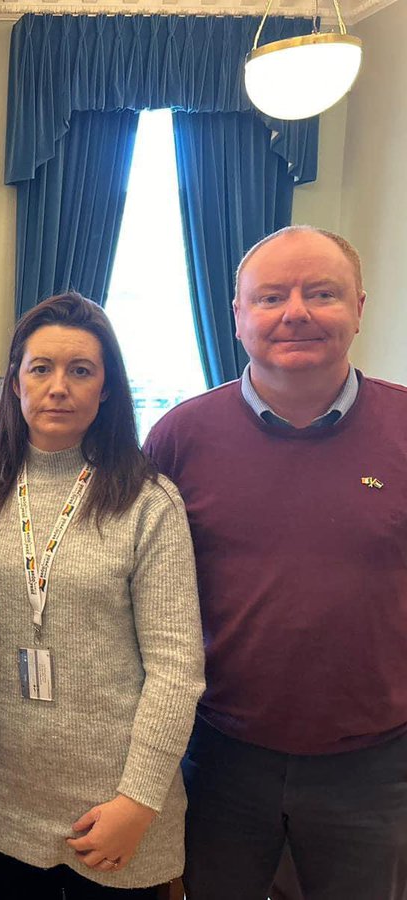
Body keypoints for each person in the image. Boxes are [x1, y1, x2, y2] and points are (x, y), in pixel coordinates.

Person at [144, 226, 407, 900]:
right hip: (223, 752)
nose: (296, 312)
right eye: (270, 297)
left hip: (374, 764)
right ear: (237, 315)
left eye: (321, 293)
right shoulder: (179, 436)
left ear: (359, 308)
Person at [0, 292, 205, 899]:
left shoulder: (150, 502)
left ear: (107, 390)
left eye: (81, 370)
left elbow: (177, 668)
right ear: (14, 383)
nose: (58, 387)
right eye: (40, 368)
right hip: (0, 785)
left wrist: (139, 799)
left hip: (114, 798)